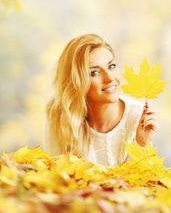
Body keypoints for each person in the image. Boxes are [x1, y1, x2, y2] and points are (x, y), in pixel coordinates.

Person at [45, 33, 158, 167]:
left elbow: (140, 184)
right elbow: (57, 177)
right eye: (94, 73)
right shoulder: (61, 115)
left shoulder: (139, 117)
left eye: (111, 66)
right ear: (76, 82)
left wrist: (140, 144)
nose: (110, 78)